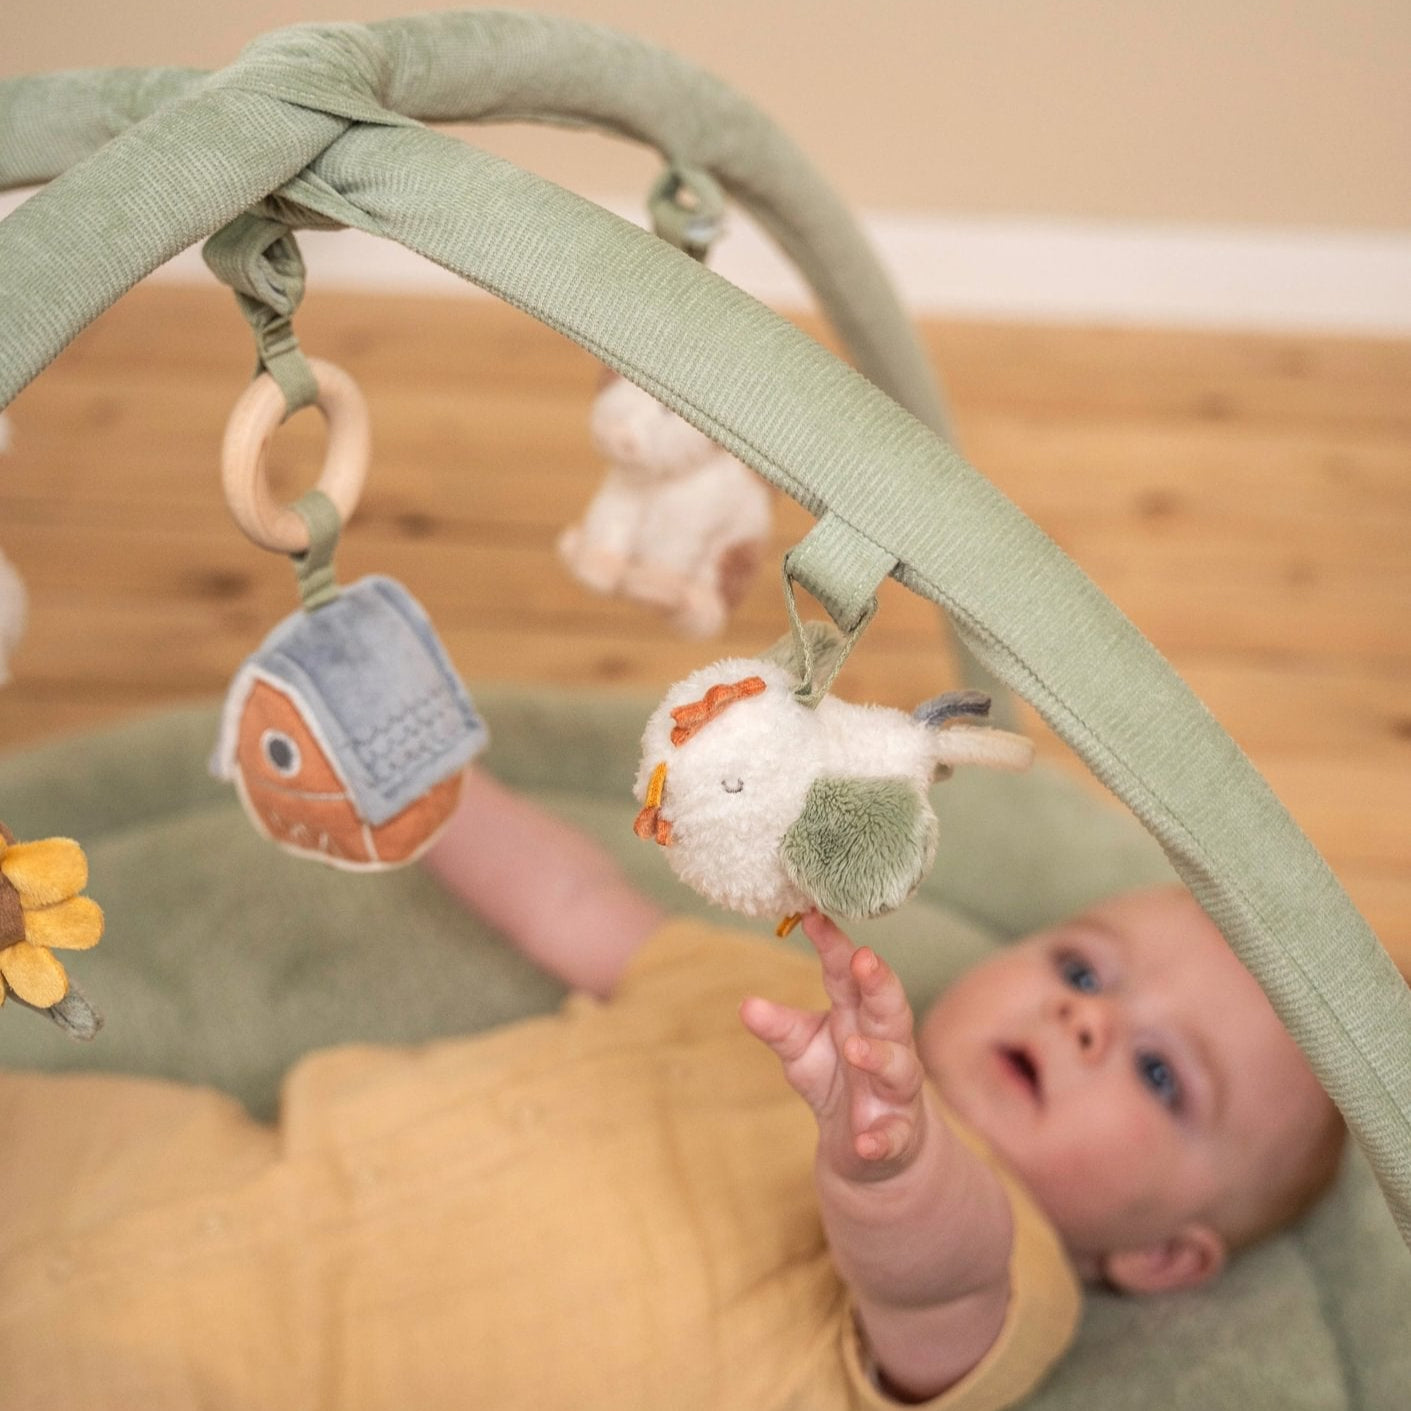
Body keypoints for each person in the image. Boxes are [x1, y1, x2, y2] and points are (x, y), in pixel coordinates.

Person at [0, 766, 1344, 1411]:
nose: (1086, 1022)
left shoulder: (1016, 1277)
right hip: (196, 1163)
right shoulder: (773, 1010)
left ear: (1164, 1258)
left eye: (1165, 1074)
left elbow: (933, 1277)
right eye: (1084, 968)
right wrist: (421, 786)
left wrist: (889, 1165)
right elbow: (580, 908)